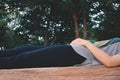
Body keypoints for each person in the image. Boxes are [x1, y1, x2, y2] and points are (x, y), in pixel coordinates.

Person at [0, 38, 120, 69]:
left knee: (21, 58)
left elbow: (110, 62)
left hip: (77, 55)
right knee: (24, 48)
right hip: (73, 50)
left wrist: (87, 43)